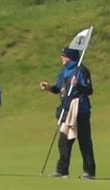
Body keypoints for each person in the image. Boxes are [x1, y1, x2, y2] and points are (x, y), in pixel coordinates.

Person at [40, 47, 96, 179]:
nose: (62, 58)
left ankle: (89, 171)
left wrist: (77, 85)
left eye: (64, 56)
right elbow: (59, 89)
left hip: (80, 109)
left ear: (70, 57)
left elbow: (89, 90)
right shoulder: (63, 71)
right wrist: (49, 88)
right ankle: (62, 170)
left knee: (84, 141)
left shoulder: (81, 70)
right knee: (64, 141)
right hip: (66, 109)